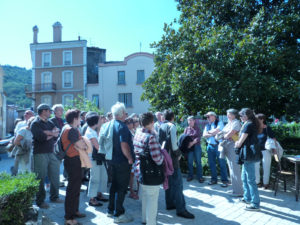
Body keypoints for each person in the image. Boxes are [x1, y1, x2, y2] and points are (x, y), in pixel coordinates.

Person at [158, 109, 195, 219]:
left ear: (164, 117)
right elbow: (174, 145)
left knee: (168, 182)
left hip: (164, 157)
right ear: (173, 117)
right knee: (178, 184)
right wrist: (179, 154)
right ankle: (181, 209)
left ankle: (170, 204)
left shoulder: (161, 126)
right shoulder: (171, 126)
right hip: (172, 159)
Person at [133, 112, 164, 225]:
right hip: (151, 173)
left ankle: (144, 220)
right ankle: (151, 222)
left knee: (145, 196)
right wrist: (163, 154)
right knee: (152, 200)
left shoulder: (137, 134)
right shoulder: (151, 137)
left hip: (139, 171)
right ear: (152, 122)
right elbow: (157, 159)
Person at [30, 104, 62, 209]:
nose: (51, 112)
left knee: (55, 175)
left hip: (51, 152)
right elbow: (40, 137)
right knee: (41, 177)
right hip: (40, 153)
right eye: (49, 111)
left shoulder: (50, 122)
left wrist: (50, 134)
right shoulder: (35, 123)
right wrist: (51, 134)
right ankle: (40, 201)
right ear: (44, 111)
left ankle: (55, 196)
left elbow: (57, 133)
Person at [107, 102, 134, 223]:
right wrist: (129, 158)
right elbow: (124, 145)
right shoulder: (122, 127)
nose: (126, 114)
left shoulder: (110, 124)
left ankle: (110, 209)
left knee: (114, 185)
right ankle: (118, 215)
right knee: (122, 188)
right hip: (122, 161)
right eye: (125, 112)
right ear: (122, 113)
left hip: (112, 160)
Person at [62, 109, 87, 225]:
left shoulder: (70, 129)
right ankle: (69, 218)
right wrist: (84, 143)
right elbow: (81, 145)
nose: (81, 119)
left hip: (73, 160)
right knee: (72, 190)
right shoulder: (71, 130)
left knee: (76, 188)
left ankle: (74, 212)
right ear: (75, 119)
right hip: (73, 161)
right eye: (79, 117)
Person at [235, 108, 261, 211]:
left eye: (241, 116)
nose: (240, 117)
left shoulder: (249, 125)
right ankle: (247, 198)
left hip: (248, 154)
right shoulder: (248, 124)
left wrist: (237, 143)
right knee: (244, 178)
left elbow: (240, 142)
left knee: (250, 180)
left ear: (246, 116)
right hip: (247, 154)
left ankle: (255, 204)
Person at [219, 109, 243, 196]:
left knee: (235, 169)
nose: (227, 116)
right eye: (227, 114)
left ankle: (239, 191)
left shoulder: (236, 122)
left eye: (229, 114)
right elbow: (223, 132)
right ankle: (234, 189)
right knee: (231, 169)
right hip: (228, 146)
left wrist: (224, 136)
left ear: (234, 115)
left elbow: (231, 133)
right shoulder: (230, 123)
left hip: (233, 146)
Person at [85, 113, 108, 207]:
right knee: (95, 179)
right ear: (95, 122)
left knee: (103, 177)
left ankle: (99, 194)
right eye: (99, 120)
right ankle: (92, 198)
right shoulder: (90, 132)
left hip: (99, 158)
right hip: (94, 159)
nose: (101, 121)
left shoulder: (93, 130)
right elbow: (98, 147)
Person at [203, 111, 228, 186]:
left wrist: (209, 133)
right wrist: (212, 133)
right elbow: (204, 135)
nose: (207, 118)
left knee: (222, 163)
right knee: (211, 164)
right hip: (210, 146)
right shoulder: (207, 125)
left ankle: (225, 180)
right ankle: (214, 180)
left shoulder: (219, 123)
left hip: (218, 145)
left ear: (214, 116)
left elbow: (218, 131)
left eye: (209, 116)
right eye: (207, 117)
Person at [255, 113, 275, 189]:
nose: (256, 120)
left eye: (257, 119)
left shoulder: (267, 128)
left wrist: (274, 148)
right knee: (255, 166)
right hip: (256, 150)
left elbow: (273, 138)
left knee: (266, 167)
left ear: (262, 119)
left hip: (266, 150)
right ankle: (257, 182)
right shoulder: (254, 128)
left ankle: (265, 183)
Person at [184, 116, 204, 183]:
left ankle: (200, 177)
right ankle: (190, 176)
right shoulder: (186, 129)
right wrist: (187, 145)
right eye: (189, 120)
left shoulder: (197, 128)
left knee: (198, 162)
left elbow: (198, 137)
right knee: (190, 162)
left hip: (196, 146)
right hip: (189, 148)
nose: (190, 122)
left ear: (194, 121)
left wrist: (192, 143)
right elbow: (184, 138)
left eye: (191, 120)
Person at [125, 117, 139, 200]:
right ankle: (131, 192)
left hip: (135, 155)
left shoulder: (134, 131)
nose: (131, 124)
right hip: (131, 155)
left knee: (135, 174)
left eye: (132, 122)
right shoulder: (127, 132)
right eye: (129, 123)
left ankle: (136, 191)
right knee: (132, 175)